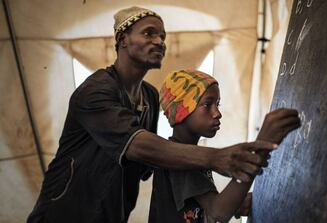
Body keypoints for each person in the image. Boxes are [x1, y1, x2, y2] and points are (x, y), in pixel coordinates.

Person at [27, 6, 300, 223]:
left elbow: (155, 162)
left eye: (163, 36)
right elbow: (137, 146)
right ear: (123, 39)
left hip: (110, 215)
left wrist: (229, 197)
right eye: (148, 33)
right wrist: (217, 157)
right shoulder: (95, 91)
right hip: (65, 214)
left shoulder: (148, 96)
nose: (159, 41)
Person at [149, 69, 298, 223]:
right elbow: (218, 212)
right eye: (207, 105)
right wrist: (262, 145)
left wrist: (237, 203)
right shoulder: (177, 158)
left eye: (217, 104)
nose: (217, 113)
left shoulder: (194, 155)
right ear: (181, 111)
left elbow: (205, 206)